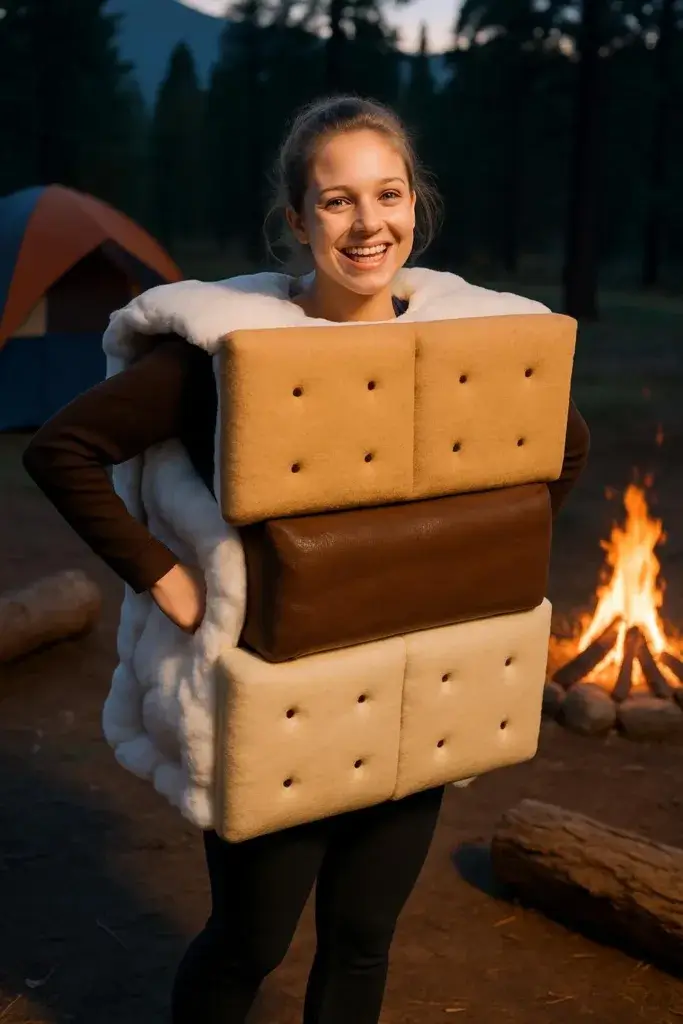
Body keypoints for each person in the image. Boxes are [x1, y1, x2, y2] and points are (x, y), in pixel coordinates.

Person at [23, 95, 590, 1024]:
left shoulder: (466, 349)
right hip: (280, 710)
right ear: (297, 220)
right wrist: (162, 572)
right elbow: (62, 450)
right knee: (252, 942)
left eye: (388, 194)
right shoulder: (225, 357)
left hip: (410, 696)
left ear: (416, 206)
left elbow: (557, 452)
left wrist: (477, 556)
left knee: (364, 940)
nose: (368, 224)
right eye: (336, 201)